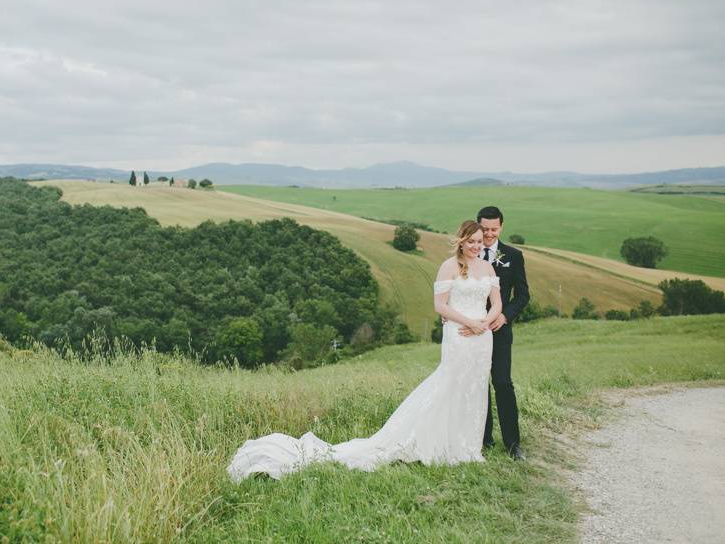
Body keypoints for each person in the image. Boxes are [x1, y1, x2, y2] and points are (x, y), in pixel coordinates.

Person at [227, 220, 501, 481]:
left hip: (481, 337)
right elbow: (440, 306)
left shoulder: (488, 269)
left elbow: (497, 304)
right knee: (450, 385)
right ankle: (436, 442)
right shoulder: (448, 267)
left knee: (475, 389)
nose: (477, 246)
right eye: (472, 241)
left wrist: (484, 324)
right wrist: (469, 323)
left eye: (480, 242)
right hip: (459, 334)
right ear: (462, 242)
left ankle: (467, 447)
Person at [461, 206, 529, 460]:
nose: (489, 235)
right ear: (478, 226)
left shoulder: (513, 255)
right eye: (485, 229)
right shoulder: (468, 254)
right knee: (478, 383)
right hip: (472, 330)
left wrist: (505, 315)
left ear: (501, 227)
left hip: (499, 330)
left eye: (494, 229)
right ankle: (484, 437)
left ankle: (513, 444)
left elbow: (523, 295)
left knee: (502, 382)